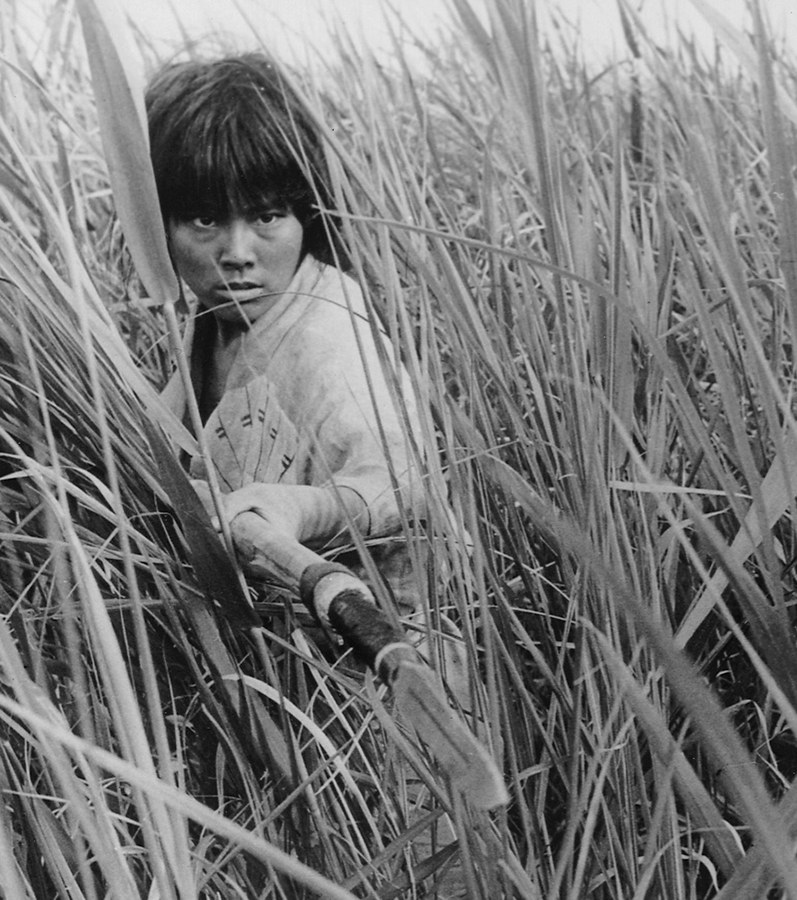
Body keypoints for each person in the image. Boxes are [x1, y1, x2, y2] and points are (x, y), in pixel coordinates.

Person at [146, 52, 470, 893]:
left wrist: (300, 505)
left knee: (418, 867)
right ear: (160, 224)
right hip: (298, 670)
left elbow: (401, 483)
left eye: (267, 217)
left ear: (307, 215)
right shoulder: (213, 324)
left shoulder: (329, 335)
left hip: (394, 663)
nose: (238, 254)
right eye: (203, 223)